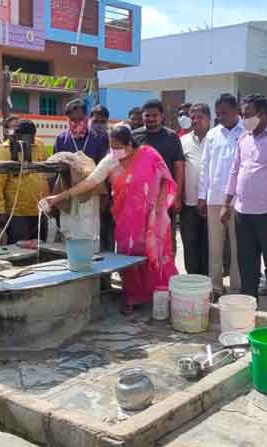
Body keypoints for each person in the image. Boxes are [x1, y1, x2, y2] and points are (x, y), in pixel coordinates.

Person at [42, 125, 178, 314]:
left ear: (129, 143)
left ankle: (159, 295)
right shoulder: (111, 160)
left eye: (118, 146)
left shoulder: (149, 154)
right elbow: (90, 182)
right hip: (126, 219)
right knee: (128, 255)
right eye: (111, 146)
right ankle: (132, 297)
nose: (114, 150)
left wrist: (159, 208)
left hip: (152, 218)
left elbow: (165, 181)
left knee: (154, 254)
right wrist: (59, 197)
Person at [222, 94, 267, 315]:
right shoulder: (244, 138)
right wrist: (227, 203)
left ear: (263, 114)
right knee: (246, 263)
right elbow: (235, 170)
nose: (243, 119)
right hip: (242, 211)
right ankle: (249, 306)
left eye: (247, 115)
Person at [198, 93, 244, 294]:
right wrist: (202, 196)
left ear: (236, 111)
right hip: (215, 197)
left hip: (239, 200)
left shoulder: (247, 133)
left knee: (237, 247)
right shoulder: (212, 134)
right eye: (218, 113)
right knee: (214, 247)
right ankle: (215, 287)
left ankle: (236, 288)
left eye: (225, 112)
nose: (221, 117)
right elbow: (204, 165)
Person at [55, 99, 112, 251]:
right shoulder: (61, 139)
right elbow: (56, 171)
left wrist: (105, 196)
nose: (76, 122)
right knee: (71, 232)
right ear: (66, 119)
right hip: (69, 195)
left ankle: (98, 271)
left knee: (92, 233)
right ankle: (74, 265)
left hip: (93, 194)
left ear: (86, 118)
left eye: (80, 119)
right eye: (72, 119)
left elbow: (106, 168)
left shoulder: (100, 137)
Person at [133, 99, 185, 252]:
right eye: (147, 115)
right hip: (140, 197)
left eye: (154, 115)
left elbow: (179, 167)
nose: (151, 119)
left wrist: (177, 196)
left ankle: (166, 273)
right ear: (142, 116)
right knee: (141, 237)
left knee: (165, 236)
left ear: (162, 116)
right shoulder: (134, 136)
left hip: (164, 196)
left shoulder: (172, 137)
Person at [0, 119, 50, 243]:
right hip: (17, 214)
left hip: (40, 210)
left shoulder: (39, 145)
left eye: (33, 137)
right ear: (18, 136)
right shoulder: (3, 151)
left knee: (40, 248)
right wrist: (0, 211)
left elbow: (45, 174)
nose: (32, 140)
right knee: (20, 249)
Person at [180, 104, 210, 276]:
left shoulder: (215, 138)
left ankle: (206, 280)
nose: (196, 121)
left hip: (211, 202)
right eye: (193, 117)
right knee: (189, 242)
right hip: (189, 202)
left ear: (209, 119)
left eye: (200, 117)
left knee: (208, 244)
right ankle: (192, 278)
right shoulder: (183, 141)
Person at [54, 99, 109, 163]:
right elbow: (56, 166)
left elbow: (103, 167)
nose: (77, 123)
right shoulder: (60, 140)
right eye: (73, 120)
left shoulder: (99, 138)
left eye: (80, 119)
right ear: (68, 119)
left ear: (86, 117)